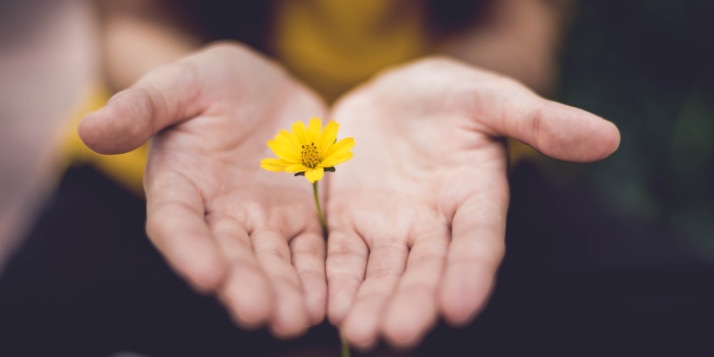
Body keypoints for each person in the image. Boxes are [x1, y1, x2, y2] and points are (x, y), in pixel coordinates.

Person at [1, 0, 622, 355]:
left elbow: (519, 29)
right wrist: (183, 83)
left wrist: (455, 86)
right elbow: (130, 19)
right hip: (187, 164)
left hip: (438, 170)